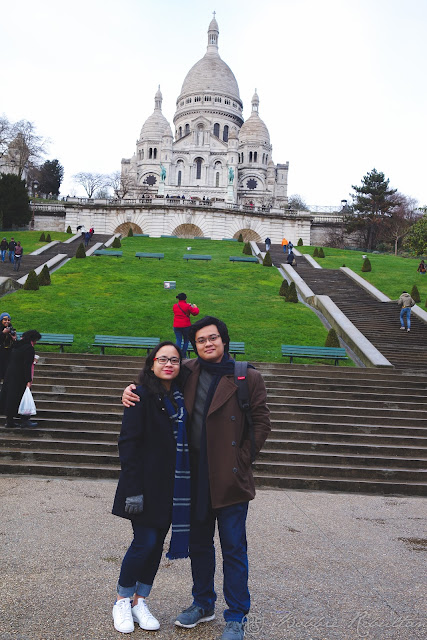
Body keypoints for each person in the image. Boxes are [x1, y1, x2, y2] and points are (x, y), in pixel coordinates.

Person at [122, 316, 271, 640]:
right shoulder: (187, 371)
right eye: (201, 340)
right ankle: (203, 603)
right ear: (196, 345)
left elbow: (261, 422)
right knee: (200, 545)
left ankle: (236, 616)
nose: (207, 344)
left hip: (230, 479)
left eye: (213, 338)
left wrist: (242, 459)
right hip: (193, 479)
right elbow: (154, 382)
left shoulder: (247, 376)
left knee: (234, 549)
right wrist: (130, 390)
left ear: (224, 340)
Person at [111, 341, 190, 634]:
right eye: (162, 359)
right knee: (143, 543)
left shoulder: (183, 398)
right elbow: (127, 444)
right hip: (143, 485)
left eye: (174, 360)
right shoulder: (140, 395)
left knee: (157, 545)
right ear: (152, 363)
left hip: (174, 487)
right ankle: (121, 600)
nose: (169, 364)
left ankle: (139, 600)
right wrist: (133, 488)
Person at [0, 329, 41, 428]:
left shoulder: (17, 346)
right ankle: (25, 420)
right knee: (22, 397)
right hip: (20, 377)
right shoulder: (28, 348)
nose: (35, 342)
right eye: (35, 340)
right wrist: (28, 380)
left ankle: (9, 421)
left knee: (11, 398)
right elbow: (26, 365)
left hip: (10, 375)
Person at [173, 293, 199, 358]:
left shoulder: (175, 306)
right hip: (186, 325)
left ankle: (177, 354)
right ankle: (183, 355)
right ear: (185, 298)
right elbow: (195, 313)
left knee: (178, 340)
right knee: (186, 340)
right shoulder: (187, 306)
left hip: (176, 325)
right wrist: (195, 307)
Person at [0, 313, 17, 380]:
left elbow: (14, 343)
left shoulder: (11, 329)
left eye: (8, 320)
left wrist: (14, 338)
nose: (7, 321)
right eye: (5, 319)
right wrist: (2, 333)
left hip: (8, 354)